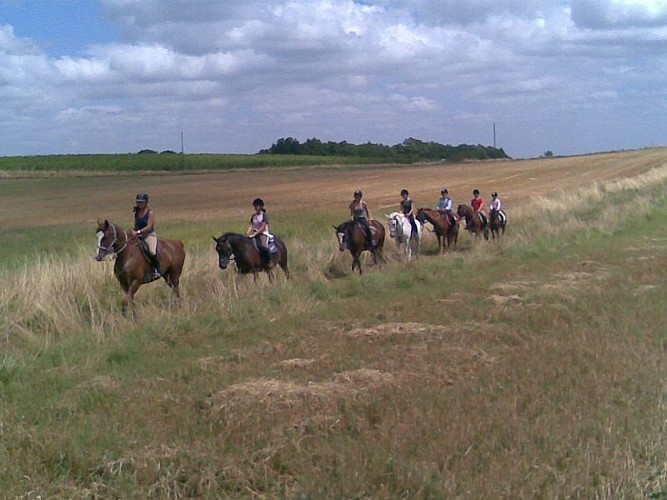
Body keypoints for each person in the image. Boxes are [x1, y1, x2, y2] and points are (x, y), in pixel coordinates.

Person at [132, 192, 161, 281]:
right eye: (138, 202)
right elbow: (136, 225)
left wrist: (138, 232)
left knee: (152, 251)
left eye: (141, 202)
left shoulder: (150, 212)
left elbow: (149, 227)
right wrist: (134, 232)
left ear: (146, 203)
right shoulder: (137, 213)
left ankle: (156, 270)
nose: (139, 204)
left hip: (149, 235)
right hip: (139, 235)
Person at [246, 198, 272, 268]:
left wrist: (254, 234)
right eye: (255, 206)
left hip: (263, 234)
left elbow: (263, 227)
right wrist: (247, 233)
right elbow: (251, 225)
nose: (255, 208)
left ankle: (269, 261)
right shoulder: (253, 216)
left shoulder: (264, 215)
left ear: (261, 207)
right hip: (254, 233)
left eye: (257, 206)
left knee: (263, 247)